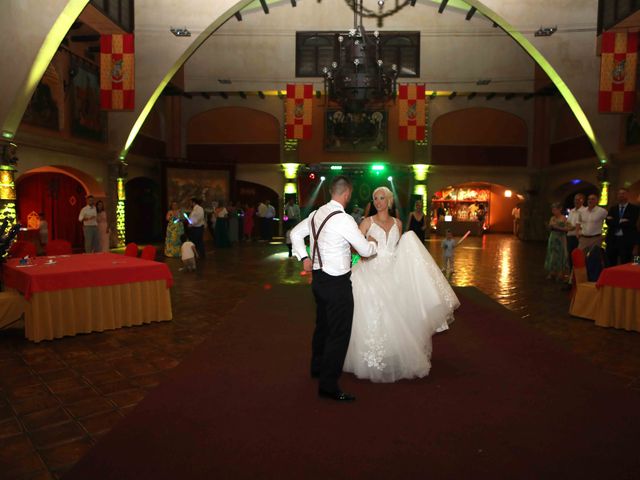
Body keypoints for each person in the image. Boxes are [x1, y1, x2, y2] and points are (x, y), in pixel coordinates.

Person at [344, 186, 459, 383]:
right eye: (375, 198)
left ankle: (393, 353)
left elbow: (398, 250)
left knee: (396, 313)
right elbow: (354, 246)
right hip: (370, 270)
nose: (378, 202)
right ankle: (370, 357)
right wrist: (364, 252)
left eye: (382, 198)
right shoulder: (366, 222)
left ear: (389, 201)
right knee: (374, 312)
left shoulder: (398, 223)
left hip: (393, 272)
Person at [290, 176, 378, 402]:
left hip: (319, 281)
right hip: (337, 283)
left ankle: (317, 368)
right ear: (347, 194)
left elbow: (294, 234)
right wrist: (373, 245)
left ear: (332, 192)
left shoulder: (315, 214)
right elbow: (365, 251)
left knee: (323, 326)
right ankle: (328, 385)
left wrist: (304, 257)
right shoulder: (344, 219)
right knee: (339, 333)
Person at [605, 188, 639, 266]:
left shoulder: (634, 209)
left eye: (623, 193)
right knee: (610, 263)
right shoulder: (613, 208)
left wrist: (615, 221)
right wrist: (621, 221)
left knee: (626, 262)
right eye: (619, 194)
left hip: (626, 240)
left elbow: (631, 223)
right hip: (612, 240)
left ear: (628, 195)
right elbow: (608, 222)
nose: (621, 195)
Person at [544, 202, 571, 281]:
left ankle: (560, 273)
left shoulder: (564, 218)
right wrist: (549, 227)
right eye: (552, 209)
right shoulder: (552, 218)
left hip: (561, 237)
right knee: (552, 254)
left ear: (560, 209)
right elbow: (550, 228)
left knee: (560, 254)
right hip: (553, 237)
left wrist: (558, 228)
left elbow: (569, 228)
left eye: (555, 209)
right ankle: (552, 272)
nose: (553, 211)